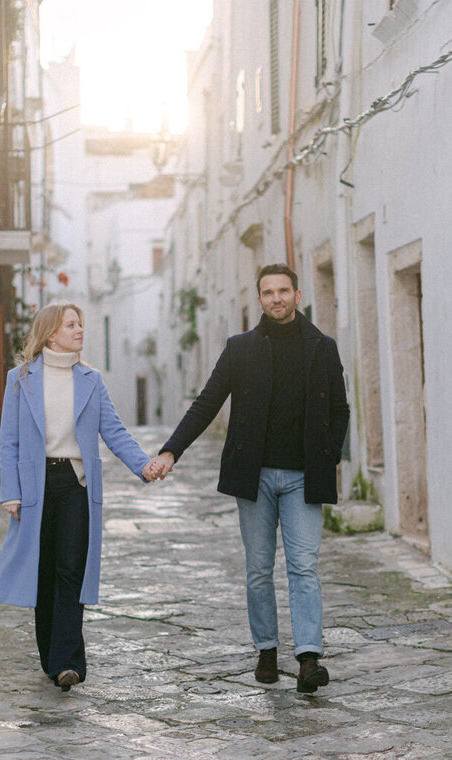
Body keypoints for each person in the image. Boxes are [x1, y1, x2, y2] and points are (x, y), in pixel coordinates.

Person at [146, 263, 350, 693]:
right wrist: (171, 451)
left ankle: (309, 659)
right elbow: (207, 403)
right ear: (259, 299)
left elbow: (340, 409)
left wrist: (329, 452)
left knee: (304, 568)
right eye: (267, 292)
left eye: (283, 290)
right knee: (259, 569)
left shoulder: (322, 347)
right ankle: (267, 650)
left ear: (298, 295)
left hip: (302, 477)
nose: (275, 298)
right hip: (253, 477)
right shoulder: (240, 348)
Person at [0, 301, 162, 692]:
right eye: (71, 325)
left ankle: (67, 662)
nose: (79, 330)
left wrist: (144, 465)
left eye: (80, 324)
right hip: (35, 483)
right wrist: (10, 492)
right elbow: (10, 439)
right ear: (51, 333)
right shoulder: (21, 379)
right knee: (43, 570)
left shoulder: (91, 380)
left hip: (75, 482)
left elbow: (113, 431)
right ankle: (51, 655)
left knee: (70, 567)